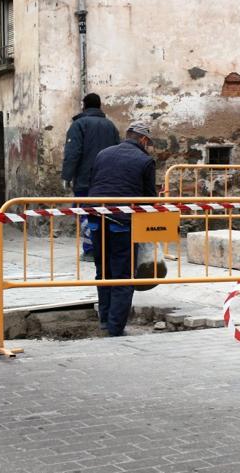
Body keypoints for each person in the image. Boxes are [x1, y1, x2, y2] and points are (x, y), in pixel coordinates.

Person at [86, 120, 157, 336]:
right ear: (143, 139)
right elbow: (148, 200)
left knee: (103, 272)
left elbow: (94, 182)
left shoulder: (103, 154)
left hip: (97, 219)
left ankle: (105, 321)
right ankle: (116, 328)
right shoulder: (145, 160)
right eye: (148, 142)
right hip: (122, 223)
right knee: (123, 276)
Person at [60, 93, 120, 260]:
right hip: (108, 179)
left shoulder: (79, 125)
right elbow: (118, 150)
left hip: (85, 179)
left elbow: (73, 152)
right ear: (100, 106)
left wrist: (67, 176)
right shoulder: (111, 126)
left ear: (84, 106)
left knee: (85, 212)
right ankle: (106, 247)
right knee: (105, 212)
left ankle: (91, 249)